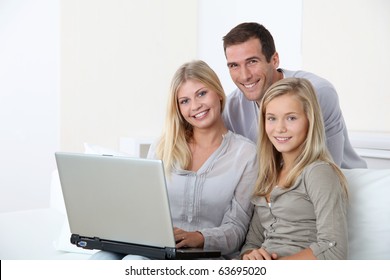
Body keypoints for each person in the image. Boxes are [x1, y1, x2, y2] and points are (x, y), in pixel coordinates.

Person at [91, 60, 258, 260]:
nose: (195, 106)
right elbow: (145, 208)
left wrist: (199, 237)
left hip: (204, 255)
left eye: (202, 93)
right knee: (101, 259)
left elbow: (237, 228)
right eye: (184, 101)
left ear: (218, 93)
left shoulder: (245, 154)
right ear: (178, 108)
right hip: (157, 247)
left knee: (135, 263)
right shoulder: (163, 147)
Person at [222, 22, 366, 169]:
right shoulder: (231, 108)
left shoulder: (317, 92)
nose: (245, 76)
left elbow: (327, 167)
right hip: (278, 187)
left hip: (341, 181)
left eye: (252, 61)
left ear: (274, 60)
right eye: (234, 65)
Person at [240, 77, 349, 260]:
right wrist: (251, 258)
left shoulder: (318, 172)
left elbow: (334, 250)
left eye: (291, 118)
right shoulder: (268, 175)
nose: (280, 128)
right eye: (272, 118)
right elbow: (251, 244)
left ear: (309, 120)